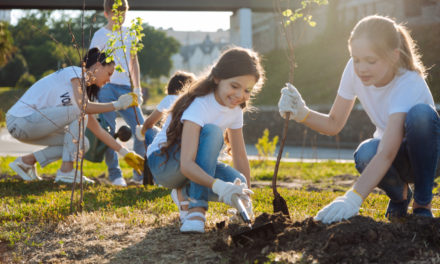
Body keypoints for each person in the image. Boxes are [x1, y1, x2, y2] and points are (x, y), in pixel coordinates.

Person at [278, 15, 437, 224]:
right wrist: (302, 113)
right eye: (356, 59)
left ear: (394, 56)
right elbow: (334, 123)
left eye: (371, 61)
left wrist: (352, 198)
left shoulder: (408, 82)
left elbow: (388, 152)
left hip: (430, 157)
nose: (361, 68)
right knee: (365, 153)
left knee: (421, 116)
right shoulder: (353, 71)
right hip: (393, 156)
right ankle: (400, 198)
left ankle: (423, 202)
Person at [146, 47, 265, 233]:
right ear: (217, 78)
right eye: (235, 86)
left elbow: (240, 157)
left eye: (247, 90)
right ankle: (196, 210)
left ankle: (184, 192)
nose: (240, 95)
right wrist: (219, 186)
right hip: (164, 163)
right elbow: (186, 164)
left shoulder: (235, 110)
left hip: (191, 165)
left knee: (237, 181)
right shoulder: (200, 104)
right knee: (212, 131)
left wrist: (245, 198)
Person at [7, 48, 144, 184]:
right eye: (109, 73)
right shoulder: (75, 72)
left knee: (83, 143)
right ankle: (67, 172)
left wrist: (125, 152)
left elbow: (99, 131)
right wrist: (117, 105)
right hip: (19, 121)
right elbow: (83, 107)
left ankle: (26, 162)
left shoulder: (81, 96)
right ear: (97, 66)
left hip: (31, 127)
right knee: (81, 113)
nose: (109, 80)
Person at [90, 0, 145, 186]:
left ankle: (139, 174)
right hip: (106, 87)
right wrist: (92, 90)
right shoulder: (99, 35)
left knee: (141, 129)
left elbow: (134, 61)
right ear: (107, 14)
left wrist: (137, 88)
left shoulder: (130, 33)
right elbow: (93, 65)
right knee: (109, 130)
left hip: (126, 88)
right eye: (116, 15)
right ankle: (115, 175)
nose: (119, 18)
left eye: (123, 15)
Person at [135, 71, 195, 214]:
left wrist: (141, 131)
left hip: (164, 148)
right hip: (181, 146)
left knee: (150, 131)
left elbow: (149, 122)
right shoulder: (192, 101)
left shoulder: (170, 98)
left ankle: (156, 176)